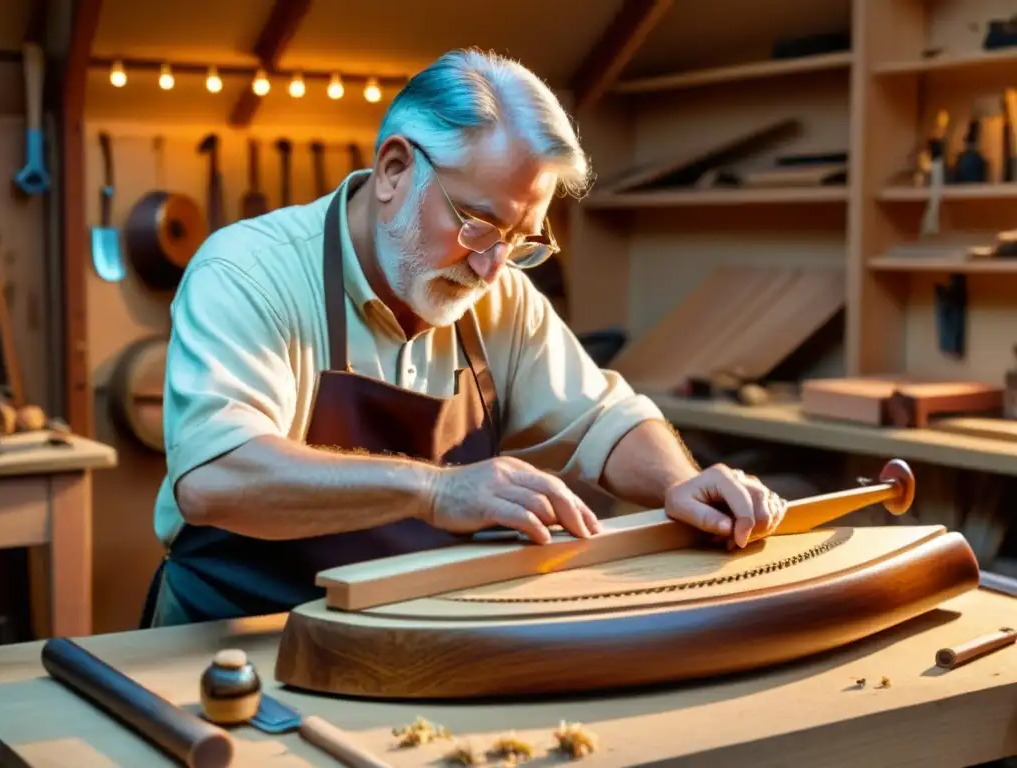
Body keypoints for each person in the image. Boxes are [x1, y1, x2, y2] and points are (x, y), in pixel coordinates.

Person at [142, 48, 787, 628]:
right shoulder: (249, 272)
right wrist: (436, 491)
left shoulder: (497, 291)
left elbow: (600, 418)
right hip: (229, 637)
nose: (491, 266)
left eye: (520, 239)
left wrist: (681, 483)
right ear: (394, 169)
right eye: (477, 223)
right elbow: (215, 477)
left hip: (406, 632)